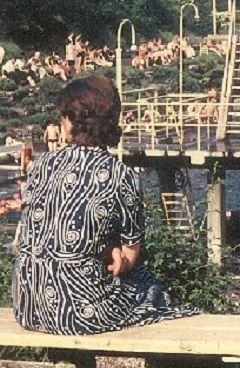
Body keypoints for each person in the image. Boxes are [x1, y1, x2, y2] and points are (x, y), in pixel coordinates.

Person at [13, 76, 196, 334]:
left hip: (28, 306)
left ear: (71, 122)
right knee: (148, 284)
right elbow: (131, 256)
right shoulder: (121, 175)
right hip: (79, 314)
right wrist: (113, 252)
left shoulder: (41, 165)